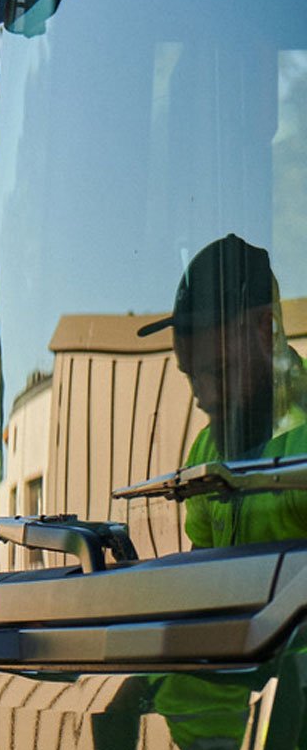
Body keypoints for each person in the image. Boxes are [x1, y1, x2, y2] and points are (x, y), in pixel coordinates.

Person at [136, 232, 307, 546]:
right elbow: (200, 571)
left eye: (220, 371)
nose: (205, 397)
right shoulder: (206, 450)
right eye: (192, 376)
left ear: (266, 330)